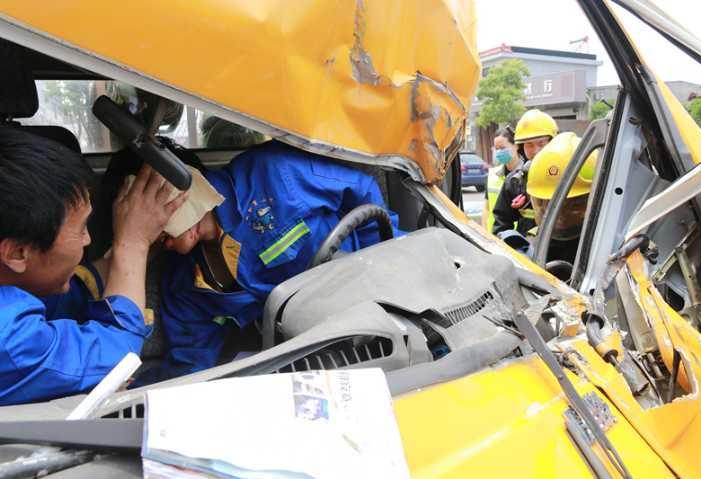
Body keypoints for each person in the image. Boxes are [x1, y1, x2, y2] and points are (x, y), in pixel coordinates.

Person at [140, 140, 402, 380]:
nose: (161, 238)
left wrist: (378, 270)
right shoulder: (184, 283)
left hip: (382, 299)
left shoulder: (271, 175)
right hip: (313, 349)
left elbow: (362, 191)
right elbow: (192, 361)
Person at [0, 128, 186, 405]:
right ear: (17, 252)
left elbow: (59, 295)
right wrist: (132, 242)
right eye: (80, 228)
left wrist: (133, 250)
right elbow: (118, 361)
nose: (88, 240)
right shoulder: (10, 340)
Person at [526, 131, 596, 265]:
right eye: (543, 203)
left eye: (573, 205)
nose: (559, 217)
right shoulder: (533, 246)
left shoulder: (601, 245)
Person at [491, 109, 558, 237]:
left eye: (541, 143)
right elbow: (501, 224)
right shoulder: (515, 181)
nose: (536, 150)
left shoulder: (568, 176)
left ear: (552, 142)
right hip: (527, 253)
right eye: (529, 145)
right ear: (522, 147)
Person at [483, 128, 520, 232]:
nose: (499, 152)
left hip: (518, 237)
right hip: (495, 237)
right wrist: (485, 231)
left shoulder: (526, 174)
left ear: (516, 146)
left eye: (503, 148)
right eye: (497, 148)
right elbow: (486, 208)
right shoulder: (492, 174)